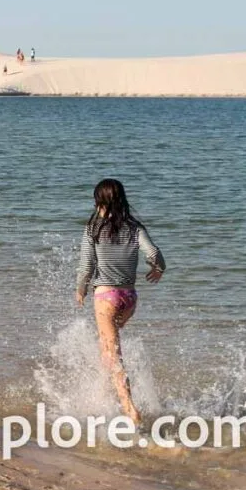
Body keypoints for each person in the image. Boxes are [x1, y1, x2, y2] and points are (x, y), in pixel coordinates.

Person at [76, 178, 165, 424]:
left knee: (114, 355)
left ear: (99, 202)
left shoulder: (92, 229)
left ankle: (129, 408)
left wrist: (80, 290)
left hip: (105, 297)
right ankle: (107, 396)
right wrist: (159, 269)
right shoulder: (135, 227)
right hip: (129, 298)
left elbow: (86, 267)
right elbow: (154, 253)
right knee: (107, 349)